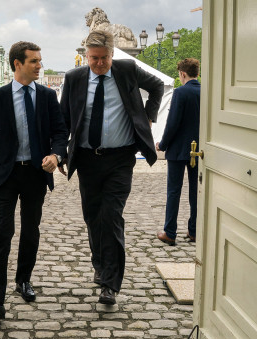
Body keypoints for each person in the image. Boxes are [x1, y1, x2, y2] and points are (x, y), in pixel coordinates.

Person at [59, 30, 164, 305]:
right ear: (86, 55)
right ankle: (100, 263)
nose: (99, 63)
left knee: (111, 216)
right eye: (94, 58)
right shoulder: (74, 78)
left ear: (112, 54)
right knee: (93, 216)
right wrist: (59, 153)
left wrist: (148, 118)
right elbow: (63, 121)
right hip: (86, 159)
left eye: (104, 58)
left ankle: (110, 283)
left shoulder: (127, 70)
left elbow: (158, 87)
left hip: (120, 159)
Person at [0, 41, 68, 319]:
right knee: (0, 233)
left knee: (30, 230)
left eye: (40, 61)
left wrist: (56, 155)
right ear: (18, 64)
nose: (40, 66)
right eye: (34, 62)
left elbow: (60, 134)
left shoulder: (48, 96)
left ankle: (23, 279)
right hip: (5, 174)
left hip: (36, 174)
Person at [156, 58, 201, 246]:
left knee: (174, 191)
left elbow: (173, 122)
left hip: (178, 149)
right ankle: (194, 231)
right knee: (195, 191)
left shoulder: (181, 92)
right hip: (198, 149)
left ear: (182, 74)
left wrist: (163, 144)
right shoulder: (206, 91)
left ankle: (170, 231)